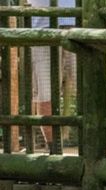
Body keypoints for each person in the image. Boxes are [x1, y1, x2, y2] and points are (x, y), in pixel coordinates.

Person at [30, 0, 77, 153]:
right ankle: (54, 151)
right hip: (43, 28)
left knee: (84, 87)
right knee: (46, 95)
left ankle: (86, 147)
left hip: (77, 26)